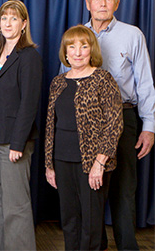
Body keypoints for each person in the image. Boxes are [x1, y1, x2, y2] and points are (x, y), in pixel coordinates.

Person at [60, 0, 155, 250]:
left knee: (123, 191)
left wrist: (149, 125)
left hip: (123, 119)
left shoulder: (132, 34)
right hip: (82, 122)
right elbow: (63, 79)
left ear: (117, 3)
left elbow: (145, 82)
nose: (102, 3)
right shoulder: (76, 35)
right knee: (89, 191)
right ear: (87, 3)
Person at [46, 25, 123, 250]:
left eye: (84, 46)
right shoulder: (58, 82)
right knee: (69, 220)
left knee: (91, 223)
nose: (78, 52)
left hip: (92, 162)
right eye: (72, 46)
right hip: (61, 160)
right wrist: (49, 165)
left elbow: (115, 124)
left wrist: (100, 163)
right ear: (65, 51)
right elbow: (51, 126)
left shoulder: (103, 80)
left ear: (92, 50)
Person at [0, 0, 42, 250]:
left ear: (24, 24)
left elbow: (29, 104)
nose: (8, 23)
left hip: (14, 142)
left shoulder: (29, 57)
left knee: (15, 205)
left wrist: (18, 143)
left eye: (14, 18)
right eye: (4, 18)